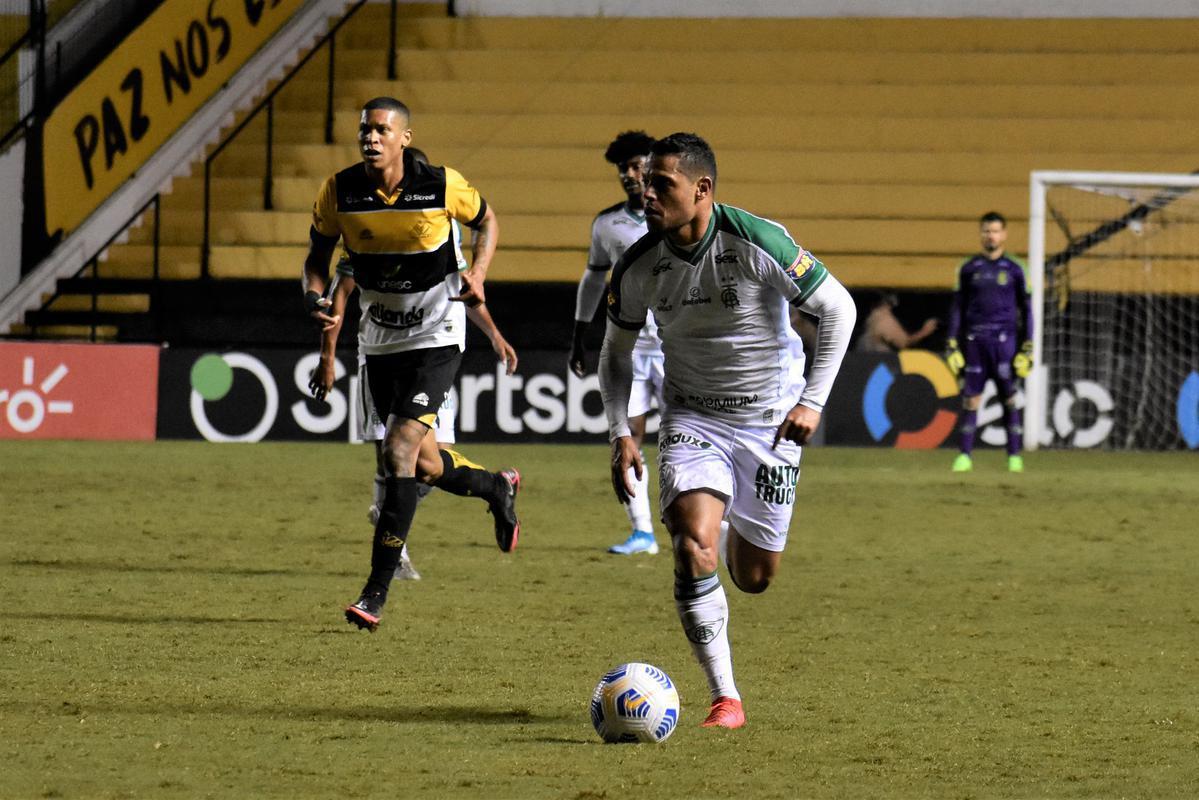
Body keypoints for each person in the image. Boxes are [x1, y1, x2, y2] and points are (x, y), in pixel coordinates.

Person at [598, 133, 856, 729]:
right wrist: (622, 431)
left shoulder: (757, 240)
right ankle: (725, 697)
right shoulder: (639, 263)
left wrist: (812, 402)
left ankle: (737, 518)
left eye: (662, 184)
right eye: (646, 182)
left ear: (702, 189)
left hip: (770, 424)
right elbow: (616, 350)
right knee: (693, 541)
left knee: (755, 577)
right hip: (692, 416)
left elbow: (838, 308)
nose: (647, 192)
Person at [302, 97, 520, 633]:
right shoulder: (339, 191)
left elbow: (488, 222)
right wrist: (314, 298)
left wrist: (482, 275)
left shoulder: (441, 185)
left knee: (397, 451)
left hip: (438, 332)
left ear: (405, 137)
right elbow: (316, 261)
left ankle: (374, 592)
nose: (371, 138)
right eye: (365, 130)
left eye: (381, 130)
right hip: (379, 339)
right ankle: (496, 487)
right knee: (421, 463)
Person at [569, 130, 663, 556]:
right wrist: (579, 333)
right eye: (622, 169)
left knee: (696, 433)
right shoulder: (608, 224)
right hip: (632, 348)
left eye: (636, 164)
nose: (629, 174)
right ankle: (643, 531)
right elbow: (593, 278)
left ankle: (706, 520)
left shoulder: (684, 216)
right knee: (627, 435)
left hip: (680, 344)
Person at [944, 211, 1033, 474]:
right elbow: (957, 308)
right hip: (975, 341)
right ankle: (964, 456)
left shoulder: (1016, 269)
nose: (990, 235)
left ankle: (1014, 457)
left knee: (1009, 398)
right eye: (986, 231)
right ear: (981, 234)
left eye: (995, 231)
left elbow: (1027, 310)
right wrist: (951, 341)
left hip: (1005, 342)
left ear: (1003, 234)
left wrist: (1028, 345)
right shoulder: (969, 268)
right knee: (971, 400)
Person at [856, 291, 938, 352]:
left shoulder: (871, 317)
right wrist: (925, 331)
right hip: (876, 365)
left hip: (866, 363)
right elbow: (904, 342)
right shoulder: (882, 317)